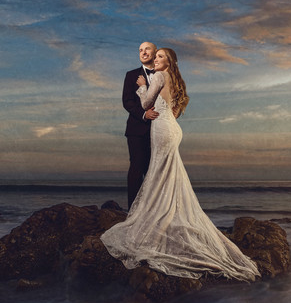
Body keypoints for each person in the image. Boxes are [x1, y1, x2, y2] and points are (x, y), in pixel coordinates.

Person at [102, 47, 260, 282]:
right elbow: (173, 110)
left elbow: (146, 104)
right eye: (155, 57)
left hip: (162, 130)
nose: (155, 59)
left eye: (160, 56)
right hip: (173, 129)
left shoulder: (158, 76)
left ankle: (158, 217)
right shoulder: (176, 79)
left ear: (169, 62)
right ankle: (168, 214)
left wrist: (142, 87)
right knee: (168, 174)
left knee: (158, 173)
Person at [122, 41, 159, 207]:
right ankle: (133, 211)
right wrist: (144, 114)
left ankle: (154, 210)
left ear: (155, 52)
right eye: (140, 50)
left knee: (156, 171)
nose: (143, 52)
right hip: (137, 129)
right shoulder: (131, 75)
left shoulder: (164, 75)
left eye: (147, 49)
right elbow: (127, 101)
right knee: (136, 169)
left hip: (159, 130)